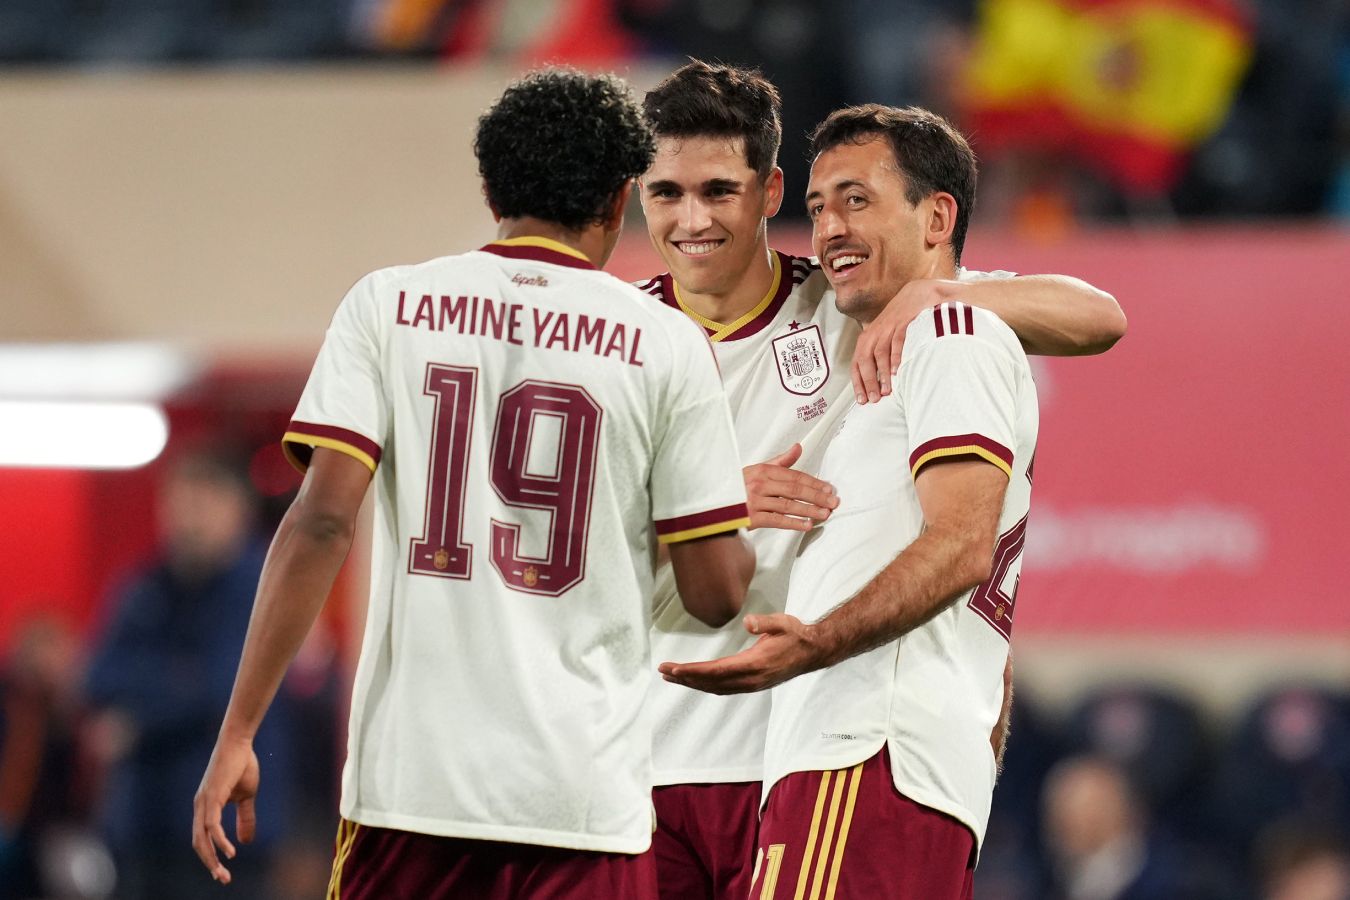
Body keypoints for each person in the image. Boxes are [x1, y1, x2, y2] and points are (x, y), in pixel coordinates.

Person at [191, 68, 755, 900]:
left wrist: (239, 730)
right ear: (618, 201)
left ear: (491, 190)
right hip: (582, 803)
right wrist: (726, 519)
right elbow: (715, 595)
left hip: (411, 792)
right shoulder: (666, 342)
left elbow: (321, 525)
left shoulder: (389, 304)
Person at [637, 61, 1126, 900]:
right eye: (666, 194)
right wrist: (703, 512)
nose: (693, 219)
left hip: (798, 749)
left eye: (719, 191)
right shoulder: (616, 344)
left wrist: (934, 296)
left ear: (768, 194)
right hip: (649, 756)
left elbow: (1101, 316)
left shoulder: (852, 302)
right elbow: (547, 561)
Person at [85, 448, 290, 899]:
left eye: (202, 505)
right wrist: (176, 679)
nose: (188, 521)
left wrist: (136, 721)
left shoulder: (263, 590)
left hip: (228, 839)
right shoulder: (142, 586)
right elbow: (98, 676)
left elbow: (221, 688)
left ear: (239, 510)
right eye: (179, 504)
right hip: (143, 830)